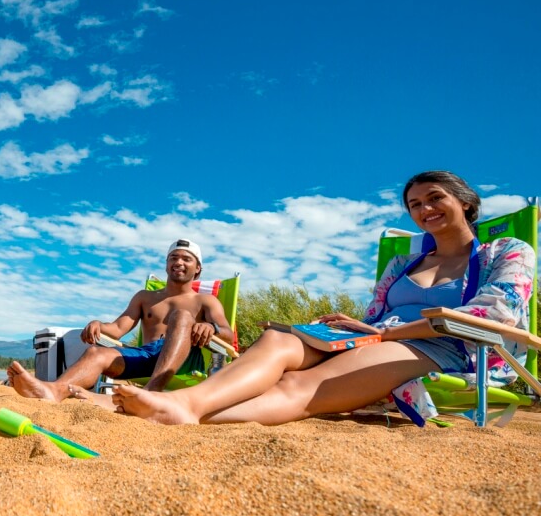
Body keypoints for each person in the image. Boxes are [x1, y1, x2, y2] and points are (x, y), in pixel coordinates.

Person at [113, 171, 535, 425]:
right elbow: (373, 316)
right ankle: (176, 404)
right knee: (279, 341)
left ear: (464, 201)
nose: (425, 209)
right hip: (375, 337)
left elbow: (494, 312)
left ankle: (183, 408)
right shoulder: (401, 266)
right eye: (415, 204)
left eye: (435, 198)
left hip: (443, 347)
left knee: (299, 383)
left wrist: (387, 334)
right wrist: (353, 328)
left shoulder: (507, 251)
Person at [7, 239, 234, 405]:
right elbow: (118, 329)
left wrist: (210, 327)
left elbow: (227, 335)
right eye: (173, 257)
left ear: (198, 268)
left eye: (187, 259)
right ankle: (54, 391)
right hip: (146, 356)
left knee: (182, 316)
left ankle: (152, 392)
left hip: (183, 359)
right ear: (166, 265)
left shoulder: (205, 300)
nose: (179, 262)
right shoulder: (145, 297)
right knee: (96, 353)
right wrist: (98, 323)